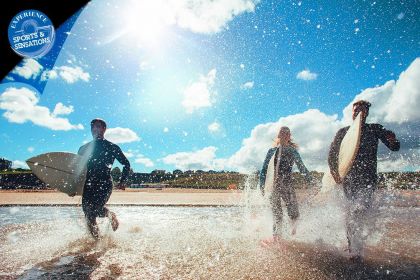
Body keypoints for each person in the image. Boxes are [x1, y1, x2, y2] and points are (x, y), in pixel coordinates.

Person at [328, 100, 400, 261]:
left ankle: (357, 245)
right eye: (355, 110)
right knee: (350, 212)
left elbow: (394, 147)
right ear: (352, 113)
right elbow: (332, 153)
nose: (358, 112)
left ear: (366, 113)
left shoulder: (375, 129)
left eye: (361, 110)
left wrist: (393, 140)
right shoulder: (343, 132)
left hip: (368, 179)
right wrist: (334, 172)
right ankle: (352, 247)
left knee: (360, 210)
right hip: (348, 179)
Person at [77, 118, 131, 239]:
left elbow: (126, 164)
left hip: (105, 183)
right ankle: (97, 241)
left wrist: (122, 182)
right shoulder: (83, 148)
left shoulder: (112, 147)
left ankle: (111, 215)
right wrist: (72, 187)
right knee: (88, 215)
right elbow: (77, 170)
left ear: (104, 129)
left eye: (98, 126)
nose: (95, 129)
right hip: (88, 184)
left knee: (95, 210)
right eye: (93, 127)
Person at [260, 126, 312, 239]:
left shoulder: (292, 151)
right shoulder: (272, 151)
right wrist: (262, 186)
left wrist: (310, 181)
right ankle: (277, 238)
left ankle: (293, 235)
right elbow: (264, 169)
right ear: (278, 135)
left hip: (287, 185)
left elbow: (301, 167)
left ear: (289, 137)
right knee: (277, 215)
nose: (284, 134)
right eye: (281, 133)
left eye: (286, 133)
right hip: (273, 186)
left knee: (294, 214)